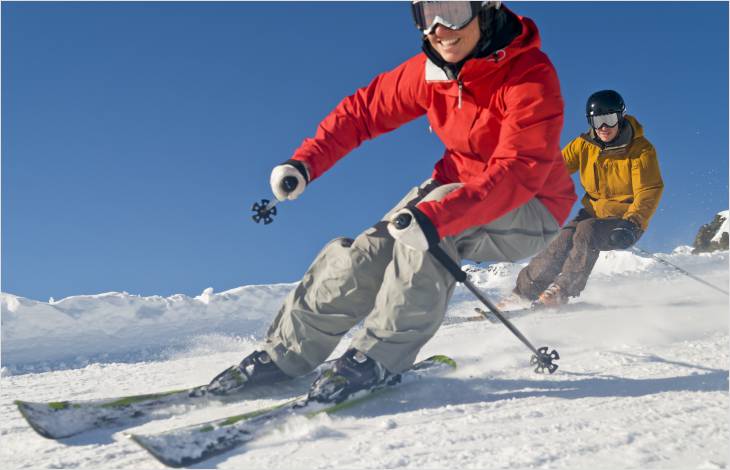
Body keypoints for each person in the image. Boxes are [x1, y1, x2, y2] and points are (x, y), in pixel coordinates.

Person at [209, 1, 576, 403]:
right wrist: (306, 163)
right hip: (453, 189)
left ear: (486, 9)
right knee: (371, 250)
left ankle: (378, 356)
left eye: (452, 11)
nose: (439, 28)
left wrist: (439, 216)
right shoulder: (430, 72)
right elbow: (363, 112)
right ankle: (285, 353)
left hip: (531, 205)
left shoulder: (529, 74)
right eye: (426, 15)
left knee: (430, 227)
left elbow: (521, 168)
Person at [511, 89, 664, 308]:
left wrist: (633, 223)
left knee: (586, 232)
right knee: (563, 238)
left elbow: (649, 189)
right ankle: (521, 294)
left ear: (620, 118)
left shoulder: (641, 151)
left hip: (625, 220)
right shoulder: (584, 145)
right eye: (597, 120)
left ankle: (561, 291)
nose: (603, 127)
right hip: (592, 212)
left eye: (609, 120)